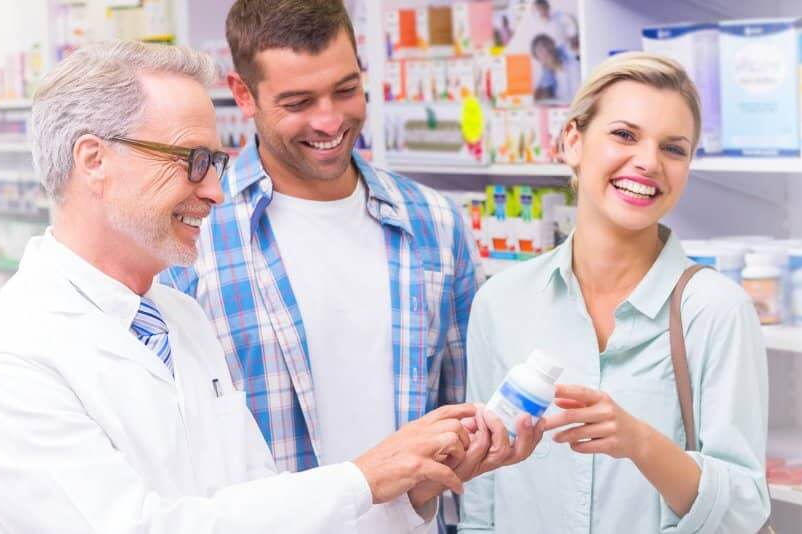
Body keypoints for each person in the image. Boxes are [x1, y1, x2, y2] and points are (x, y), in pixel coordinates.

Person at [0, 40, 490, 534]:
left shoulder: (181, 319)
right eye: (193, 162)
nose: (216, 193)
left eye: (217, 163)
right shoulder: (3, 358)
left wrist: (408, 489)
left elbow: (268, 508)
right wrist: (361, 479)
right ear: (94, 160)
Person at [163, 2, 539, 525]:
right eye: (298, 101)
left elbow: (464, 414)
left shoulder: (435, 223)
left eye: (345, 89)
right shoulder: (195, 235)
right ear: (244, 94)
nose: (330, 120)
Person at [458, 53, 773, 533]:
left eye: (673, 148)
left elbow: (744, 509)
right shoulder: (501, 302)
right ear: (572, 141)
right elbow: (482, 495)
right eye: (625, 135)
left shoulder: (715, 311)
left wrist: (642, 444)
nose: (648, 162)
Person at [531, 34, 579, 103]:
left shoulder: (573, 62)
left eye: (545, 45)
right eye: (540, 50)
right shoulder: (548, 82)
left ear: (553, 44)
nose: (545, 50)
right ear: (538, 59)